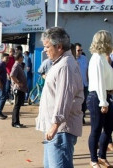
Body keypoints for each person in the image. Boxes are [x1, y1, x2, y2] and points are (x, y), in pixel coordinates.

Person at [35, 27, 84, 168]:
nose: (45, 50)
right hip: (56, 128)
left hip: (60, 129)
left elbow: (64, 98)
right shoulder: (60, 63)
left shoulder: (65, 66)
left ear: (59, 46)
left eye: (47, 46)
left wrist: (55, 125)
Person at [87, 30, 113, 168]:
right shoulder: (97, 58)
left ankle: (102, 156)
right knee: (96, 129)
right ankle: (93, 159)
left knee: (109, 128)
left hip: (106, 95)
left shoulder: (103, 57)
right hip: (98, 96)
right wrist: (103, 102)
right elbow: (99, 82)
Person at [10, 52, 27, 128]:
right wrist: (18, 83)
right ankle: (15, 122)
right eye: (22, 57)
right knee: (17, 106)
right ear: (19, 57)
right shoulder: (16, 65)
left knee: (18, 106)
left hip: (21, 89)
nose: (23, 58)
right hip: (18, 89)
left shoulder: (19, 65)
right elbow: (12, 75)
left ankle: (16, 122)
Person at [75, 43, 89, 124]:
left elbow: (87, 70)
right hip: (76, 85)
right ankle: (77, 118)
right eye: (78, 50)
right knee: (77, 102)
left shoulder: (84, 58)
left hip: (84, 84)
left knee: (84, 103)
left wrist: (88, 80)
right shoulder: (72, 59)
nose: (80, 52)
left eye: (81, 50)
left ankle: (82, 117)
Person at [0, 53, 9, 120]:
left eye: (8, 59)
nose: (7, 60)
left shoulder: (3, 64)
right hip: (0, 84)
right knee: (3, 97)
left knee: (0, 98)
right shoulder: (1, 64)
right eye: (6, 58)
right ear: (2, 58)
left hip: (2, 83)